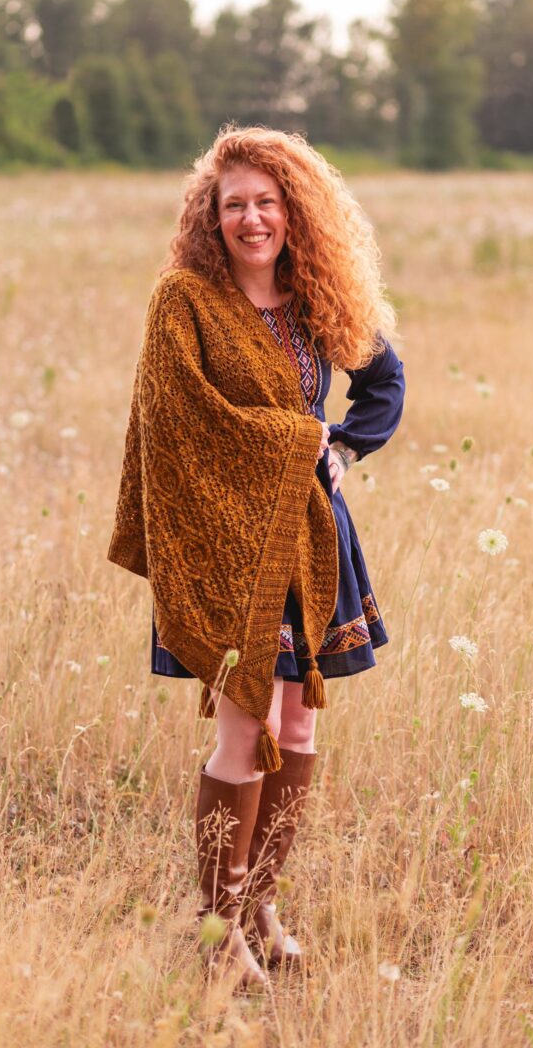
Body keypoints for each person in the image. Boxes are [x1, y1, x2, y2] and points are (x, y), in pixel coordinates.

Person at [108, 126, 404, 989]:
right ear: (212, 214)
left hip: (309, 538)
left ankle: (258, 898)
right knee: (248, 725)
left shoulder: (320, 299)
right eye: (234, 204)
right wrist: (303, 438)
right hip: (224, 545)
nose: (251, 219)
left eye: (267, 202)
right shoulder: (183, 301)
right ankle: (215, 926)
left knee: (299, 724)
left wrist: (344, 447)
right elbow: (177, 421)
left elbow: (383, 380)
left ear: (293, 211)